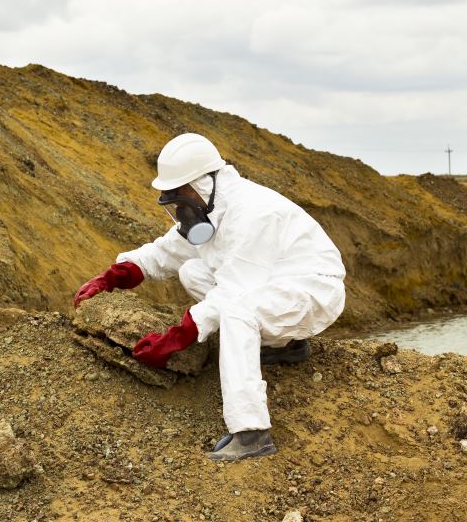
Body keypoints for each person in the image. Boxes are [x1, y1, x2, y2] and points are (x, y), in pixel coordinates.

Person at [74, 133, 346, 462]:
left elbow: (233, 292)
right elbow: (165, 252)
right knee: (193, 272)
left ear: (202, 184)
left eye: (180, 196)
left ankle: (251, 433)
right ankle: (287, 346)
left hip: (312, 291)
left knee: (236, 312)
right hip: (275, 283)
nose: (178, 208)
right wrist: (116, 274)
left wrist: (177, 338)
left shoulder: (252, 215)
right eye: (172, 199)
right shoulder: (211, 209)